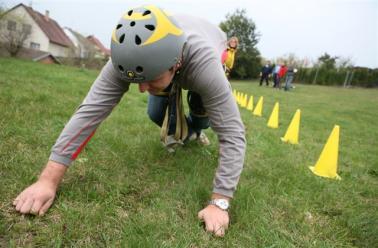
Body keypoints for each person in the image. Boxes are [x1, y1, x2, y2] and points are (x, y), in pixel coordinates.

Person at [12, 5, 246, 237]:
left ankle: (197, 125)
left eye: (149, 80)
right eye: (137, 81)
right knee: (155, 113)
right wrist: (47, 180)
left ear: (175, 64)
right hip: (172, 65)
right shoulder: (130, 54)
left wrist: (220, 202)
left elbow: (233, 133)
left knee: (201, 113)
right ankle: (192, 136)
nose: (142, 89)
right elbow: (90, 111)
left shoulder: (204, 64)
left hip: (209, 54)